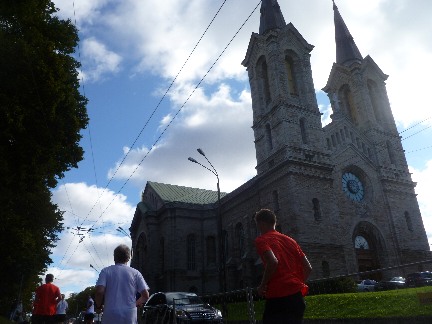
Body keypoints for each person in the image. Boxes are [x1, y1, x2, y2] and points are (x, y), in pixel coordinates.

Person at [254, 209, 312, 324]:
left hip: (277, 297)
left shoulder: (262, 240)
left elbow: (273, 262)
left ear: (262, 223)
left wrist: (262, 285)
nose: (258, 228)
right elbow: (308, 267)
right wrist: (295, 284)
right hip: (296, 298)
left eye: (258, 225)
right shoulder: (291, 241)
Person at [95, 244, 149, 324]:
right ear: (128, 258)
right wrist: (135, 303)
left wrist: (98, 306)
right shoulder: (136, 273)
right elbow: (145, 295)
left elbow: (99, 292)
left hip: (110, 315)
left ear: (114, 257)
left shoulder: (105, 271)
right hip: (129, 316)